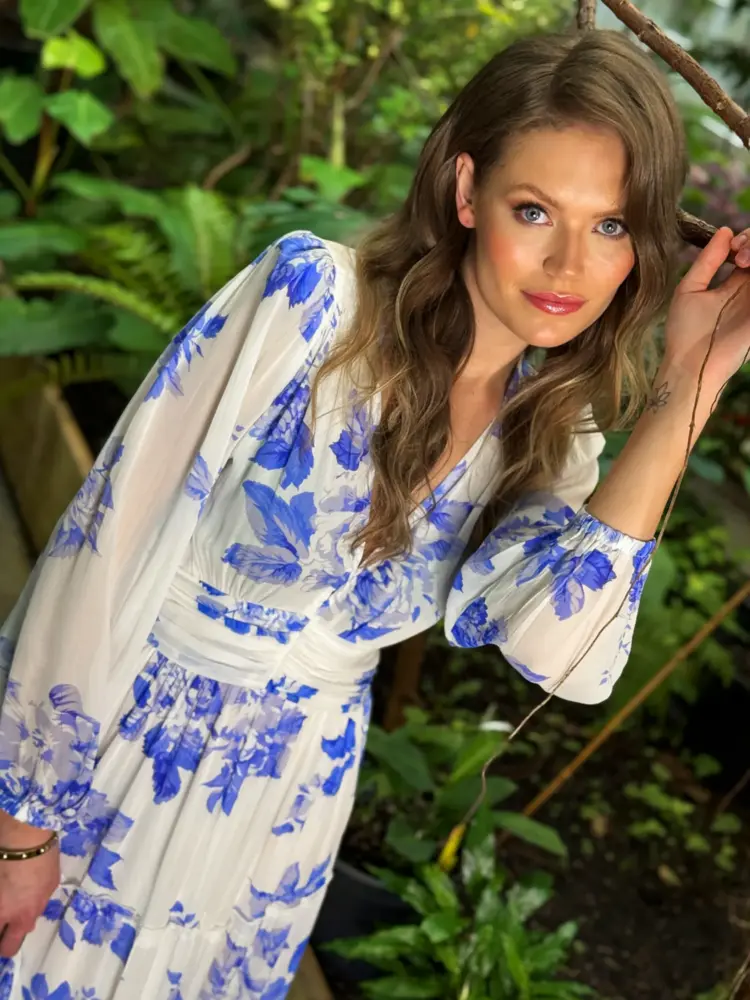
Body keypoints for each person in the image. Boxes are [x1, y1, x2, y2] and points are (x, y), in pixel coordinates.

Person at [1, 26, 749, 1000]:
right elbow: (105, 542)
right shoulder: (314, 303)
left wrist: (688, 386)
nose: (569, 263)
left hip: (283, 810)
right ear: (467, 190)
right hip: (114, 750)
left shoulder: (552, 436)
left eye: (610, 226)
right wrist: (21, 821)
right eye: (535, 210)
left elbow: (562, 657)